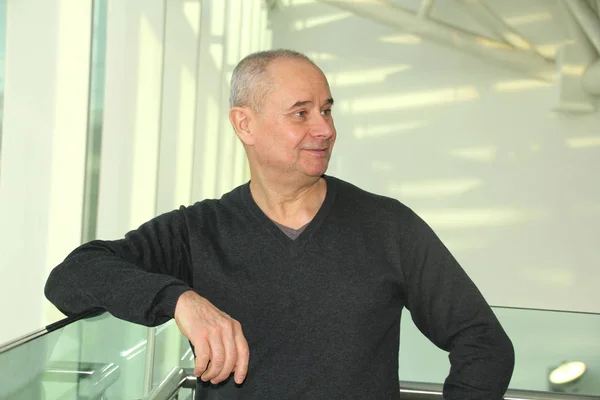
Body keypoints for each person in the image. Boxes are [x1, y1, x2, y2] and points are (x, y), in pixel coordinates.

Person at [45, 49, 514, 399]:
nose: (325, 129)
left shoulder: (388, 226)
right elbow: (71, 277)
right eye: (301, 113)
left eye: (327, 110)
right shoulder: (197, 230)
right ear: (244, 124)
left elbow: (484, 344)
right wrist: (180, 299)